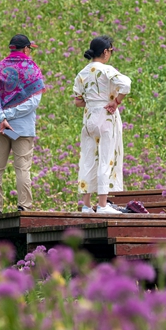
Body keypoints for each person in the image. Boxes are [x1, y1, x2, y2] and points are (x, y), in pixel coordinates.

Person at [0, 34, 45, 215]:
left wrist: (2, 116)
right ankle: (24, 207)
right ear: (26, 49)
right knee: (23, 167)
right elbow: (34, 102)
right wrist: (11, 115)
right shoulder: (32, 69)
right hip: (22, 128)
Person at [74, 36, 132, 215]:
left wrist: (92, 103)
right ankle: (102, 204)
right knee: (106, 159)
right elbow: (126, 84)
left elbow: (78, 101)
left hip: (89, 117)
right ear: (105, 51)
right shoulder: (106, 70)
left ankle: (85, 205)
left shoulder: (82, 73)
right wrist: (116, 102)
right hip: (106, 117)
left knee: (88, 158)